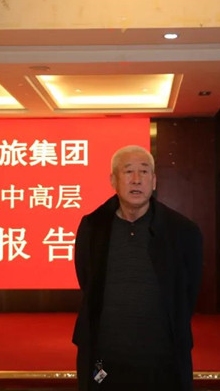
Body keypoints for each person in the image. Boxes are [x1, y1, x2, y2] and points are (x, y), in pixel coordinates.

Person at [72, 145, 203, 391]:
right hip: (105, 356)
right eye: (128, 171)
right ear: (113, 180)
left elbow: (189, 291)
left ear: (154, 181)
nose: (136, 179)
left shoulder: (183, 231)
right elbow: (87, 280)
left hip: (163, 359)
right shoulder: (93, 227)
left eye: (144, 171)